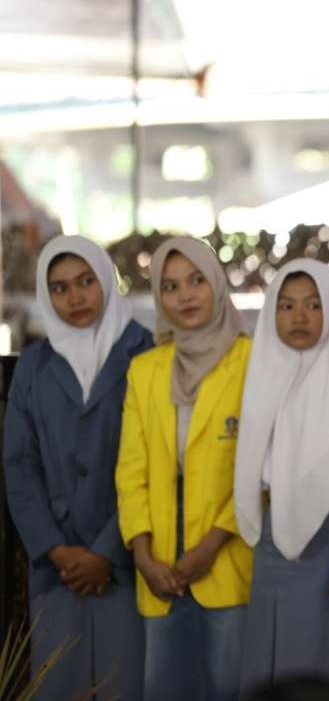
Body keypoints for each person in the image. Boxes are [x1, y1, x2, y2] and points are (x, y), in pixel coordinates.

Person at [3, 235, 153, 700]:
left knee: (123, 685)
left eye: (86, 281)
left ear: (107, 280)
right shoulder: (34, 365)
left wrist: (107, 552)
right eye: (61, 288)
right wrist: (56, 549)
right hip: (58, 570)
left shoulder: (145, 353)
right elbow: (19, 465)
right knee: (57, 685)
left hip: (125, 565)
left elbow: (155, 460)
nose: (76, 297)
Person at [115, 237, 254, 701]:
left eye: (197, 280)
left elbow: (257, 470)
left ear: (216, 283)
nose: (186, 295)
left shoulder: (251, 362)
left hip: (226, 557)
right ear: (159, 297)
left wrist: (211, 544)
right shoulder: (145, 370)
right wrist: (143, 555)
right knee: (162, 690)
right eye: (171, 286)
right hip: (158, 563)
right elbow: (130, 471)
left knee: (228, 689)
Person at [235, 260, 329, 694]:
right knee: (270, 652)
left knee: (320, 651)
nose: (300, 316)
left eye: (313, 304)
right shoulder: (264, 369)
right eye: (286, 306)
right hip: (273, 533)